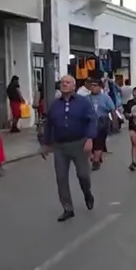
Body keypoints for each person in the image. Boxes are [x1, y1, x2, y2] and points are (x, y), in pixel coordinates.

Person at [40, 75, 96, 221]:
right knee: (61, 178)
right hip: (60, 146)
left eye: (68, 82)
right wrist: (46, 144)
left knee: (83, 175)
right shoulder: (54, 105)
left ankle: (87, 194)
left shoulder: (83, 103)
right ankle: (67, 208)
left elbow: (92, 120)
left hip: (79, 143)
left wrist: (90, 138)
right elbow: (49, 125)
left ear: (74, 86)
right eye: (62, 82)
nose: (64, 84)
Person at [86, 79, 116, 171]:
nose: (93, 87)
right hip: (89, 122)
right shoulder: (86, 98)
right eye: (91, 85)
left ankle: (96, 161)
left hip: (102, 122)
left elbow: (112, 110)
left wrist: (115, 122)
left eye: (95, 85)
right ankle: (96, 156)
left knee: (99, 141)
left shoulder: (106, 98)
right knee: (90, 143)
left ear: (100, 87)